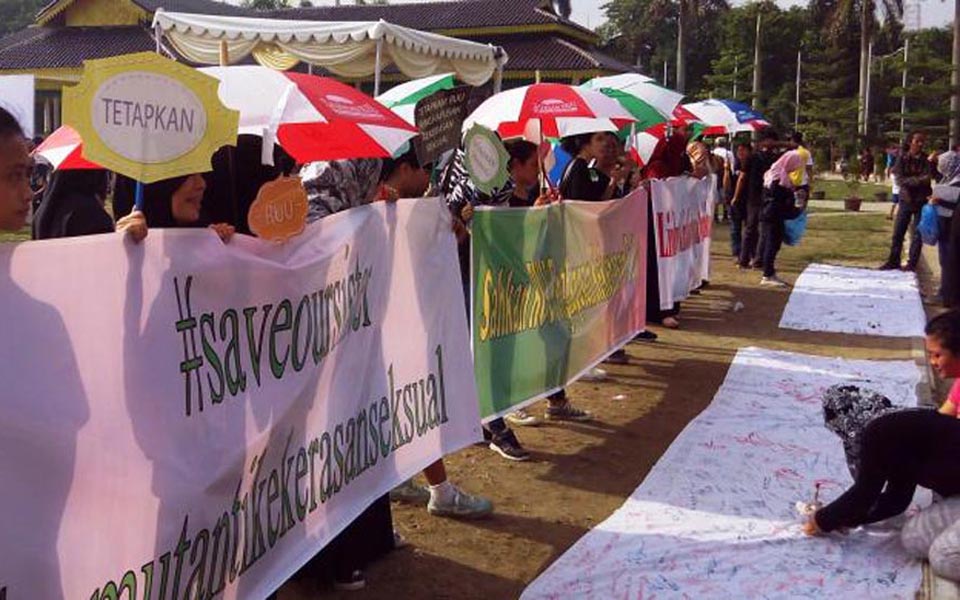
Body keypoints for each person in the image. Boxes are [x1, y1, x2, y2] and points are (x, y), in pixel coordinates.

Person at [302, 149, 494, 525]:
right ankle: (435, 489)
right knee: (404, 391)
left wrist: (439, 226)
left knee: (398, 396)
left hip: (374, 321)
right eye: (425, 170)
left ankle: (400, 477)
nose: (428, 180)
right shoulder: (347, 180)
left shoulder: (384, 198)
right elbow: (319, 238)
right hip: (352, 324)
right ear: (403, 168)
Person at [803, 312, 960, 580]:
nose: (933, 362)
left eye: (937, 354)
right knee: (912, 539)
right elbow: (896, 499)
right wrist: (845, 518)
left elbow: (865, 492)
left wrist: (822, 521)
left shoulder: (881, 434)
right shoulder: (903, 432)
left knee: (943, 558)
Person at [881, 132, 933, 271]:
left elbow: (927, 178)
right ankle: (893, 261)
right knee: (898, 232)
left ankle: (912, 264)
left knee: (917, 234)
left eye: (922, 141)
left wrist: (911, 181)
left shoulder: (925, 160)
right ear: (911, 142)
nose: (920, 144)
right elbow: (899, 179)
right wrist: (917, 180)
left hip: (921, 200)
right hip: (906, 199)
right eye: (917, 141)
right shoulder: (902, 158)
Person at [757, 150, 807, 287]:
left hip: (771, 213)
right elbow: (777, 198)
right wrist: (793, 206)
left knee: (773, 243)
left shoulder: (776, 174)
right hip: (773, 214)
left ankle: (770, 272)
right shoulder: (777, 178)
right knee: (771, 244)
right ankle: (767, 274)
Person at [934, 148, 960, 306]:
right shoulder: (948, 178)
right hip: (946, 224)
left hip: (953, 227)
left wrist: (939, 201)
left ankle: (946, 294)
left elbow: (956, 204)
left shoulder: (957, 181)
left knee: (948, 260)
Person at [712, 137, 734, 224]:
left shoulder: (712, 153)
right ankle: (726, 215)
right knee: (726, 195)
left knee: (715, 196)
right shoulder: (728, 153)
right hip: (725, 176)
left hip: (714, 177)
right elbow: (732, 166)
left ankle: (715, 216)